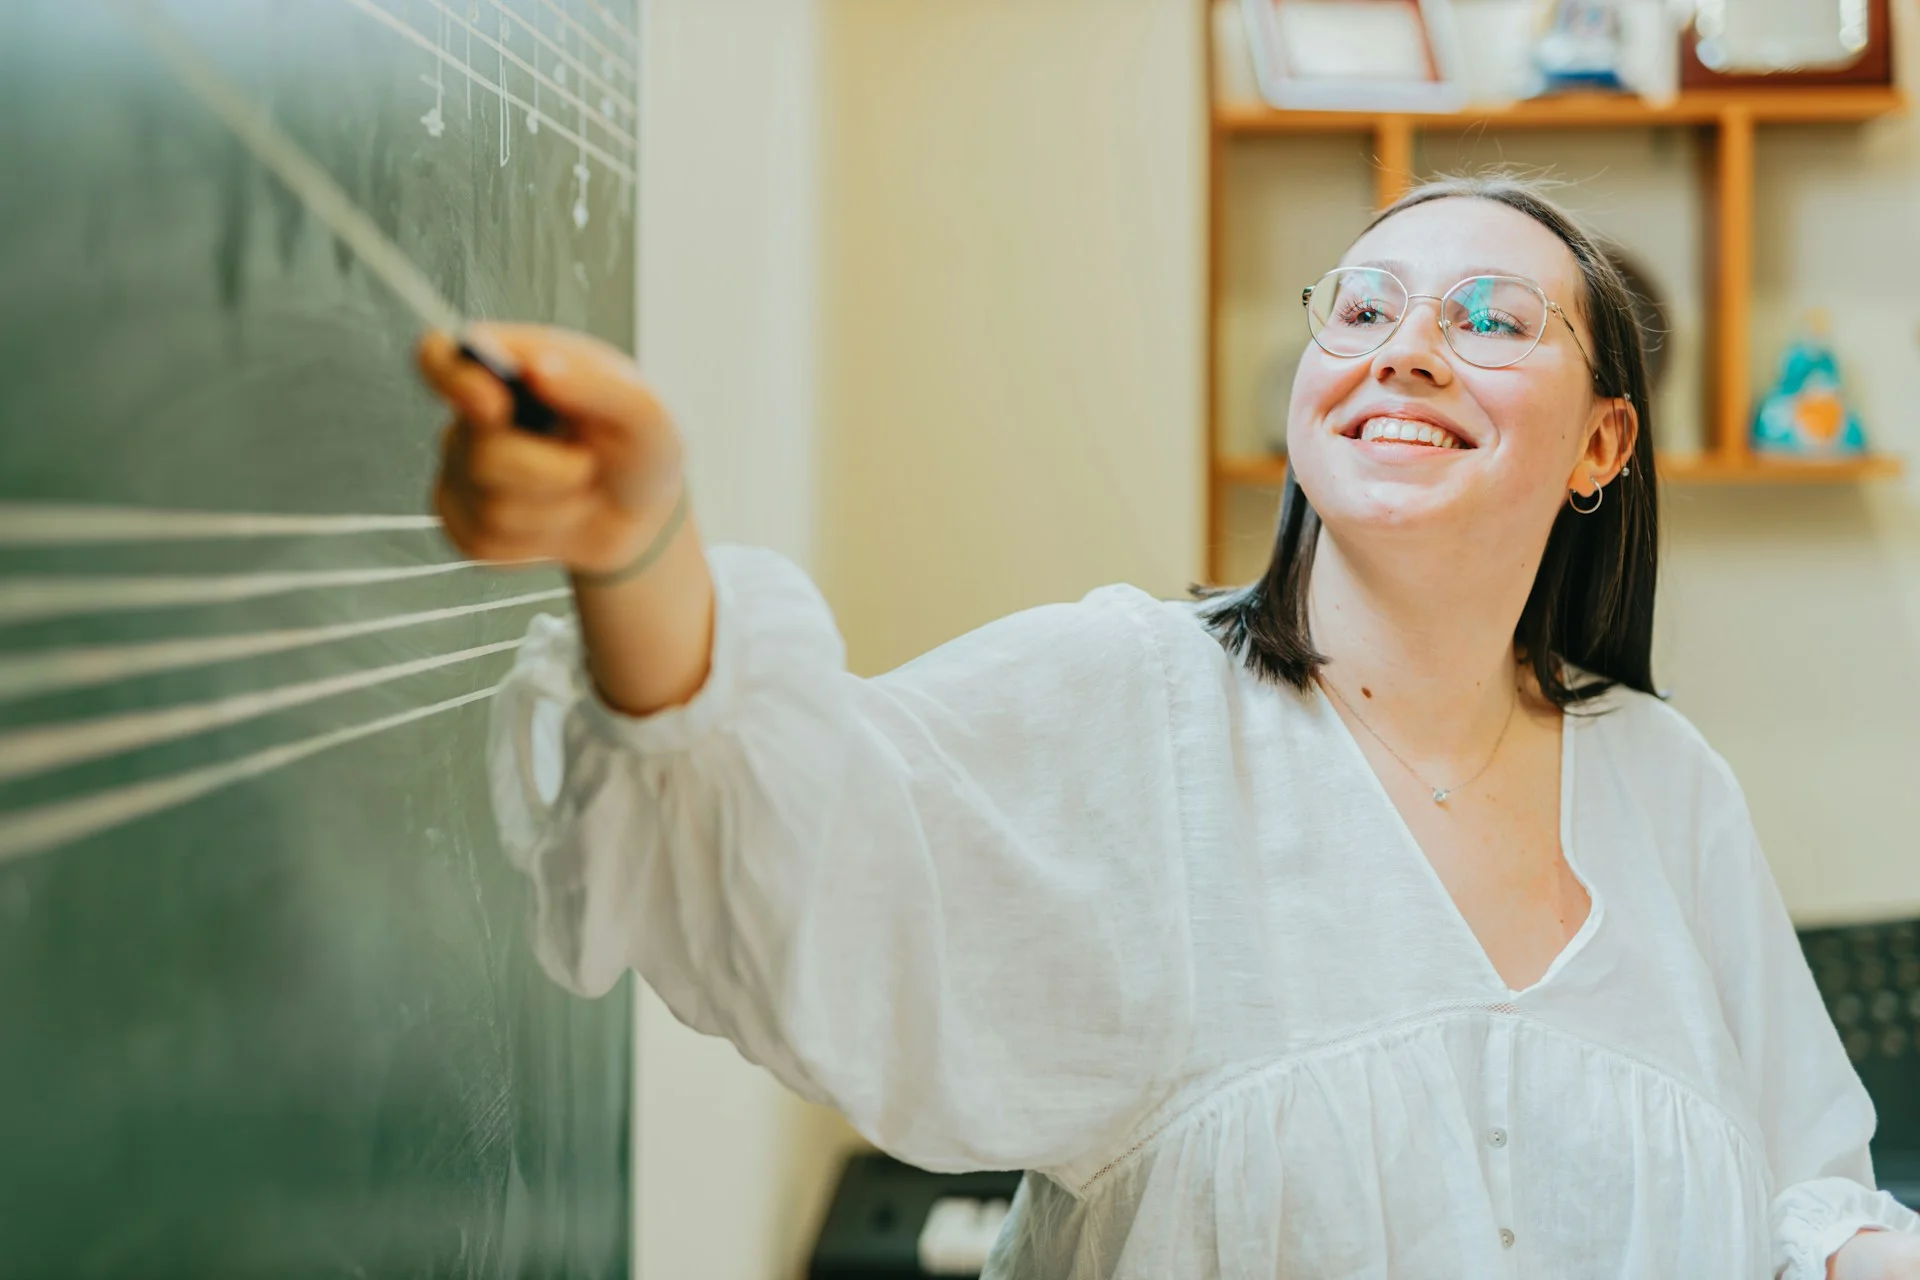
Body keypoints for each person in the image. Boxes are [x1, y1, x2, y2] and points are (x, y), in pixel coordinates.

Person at [420, 176, 1920, 1279]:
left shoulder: (1667, 783)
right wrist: (637, 549)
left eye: (1489, 320)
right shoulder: (1128, 701)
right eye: (1363, 305)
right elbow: (802, 842)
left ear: (1604, 440)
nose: (1405, 348)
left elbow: (1803, 1189)